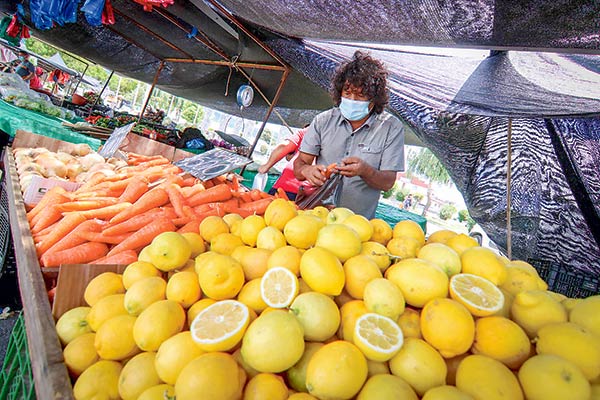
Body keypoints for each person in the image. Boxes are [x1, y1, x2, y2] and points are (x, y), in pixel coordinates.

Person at [294, 50, 405, 218]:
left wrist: (366, 171)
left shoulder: (391, 128)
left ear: (374, 100)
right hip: (316, 218)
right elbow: (300, 164)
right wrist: (306, 171)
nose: (352, 100)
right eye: (347, 93)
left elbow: (388, 182)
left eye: (360, 95)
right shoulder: (322, 121)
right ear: (340, 93)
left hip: (358, 225)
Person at [257, 125, 309, 200]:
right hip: (309, 196)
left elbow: (285, 146)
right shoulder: (329, 134)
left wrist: (266, 166)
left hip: (286, 187)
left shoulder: (308, 131)